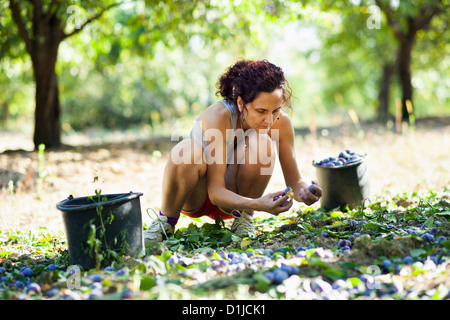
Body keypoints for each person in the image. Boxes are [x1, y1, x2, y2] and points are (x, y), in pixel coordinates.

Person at [144, 59, 322, 243]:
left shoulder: (281, 123)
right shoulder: (220, 116)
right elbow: (215, 192)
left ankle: (243, 220)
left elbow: (294, 181)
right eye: (261, 111)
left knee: (262, 142)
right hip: (196, 196)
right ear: (240, 103)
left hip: (234, 202)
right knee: (186, 149)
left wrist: (304, 192)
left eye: (275, 110)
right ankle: (165, 222)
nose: (269, 120)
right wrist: (258, 204)